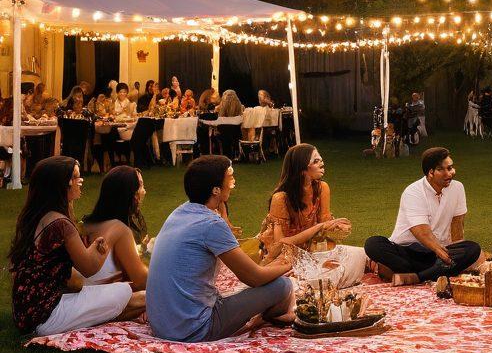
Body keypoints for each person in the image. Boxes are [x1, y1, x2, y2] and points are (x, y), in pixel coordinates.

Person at [147, 155, 294, 342]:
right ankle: (267, 318)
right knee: (282, 285)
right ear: (216, 190)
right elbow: (253, 277)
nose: (233, 183)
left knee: (247, 288)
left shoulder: (179, 213)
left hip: (162, 326)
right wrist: (288, 264)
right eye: (230, 178)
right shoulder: (210, 223)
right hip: (194, 329)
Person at [8, 157, 145, 337]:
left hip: (25, 314)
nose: (80, 182)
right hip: (48, 316)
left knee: (121, 296)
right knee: (126, 292)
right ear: (60, 185)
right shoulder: (62, 224)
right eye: (74, 177)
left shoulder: (38, 218)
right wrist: (101, 244)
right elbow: (89, 268)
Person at [364, 147, 481, 286]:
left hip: (437, 254)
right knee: (373, 244)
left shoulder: (458, 188)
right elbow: (421, 232)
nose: (450, 173)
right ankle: (436, 272)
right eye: (443, 169)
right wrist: (445, 257)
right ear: (431, 172)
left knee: (473, 248)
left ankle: (416, 277)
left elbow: (457, 225)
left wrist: (457, 252)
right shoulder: (413, 192)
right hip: (408, 251)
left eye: (451, 168)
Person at [257, 144, 365, 286]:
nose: (322, 162)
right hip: (286, 254)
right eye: (315, 161)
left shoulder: (322, 188)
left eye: (320, 159)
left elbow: (324, 226)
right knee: (282, 278)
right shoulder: (281, 198)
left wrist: (335, 227)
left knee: (358, 255)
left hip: (313, 248)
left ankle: (314, 280)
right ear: (302, 169)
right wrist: (319, 227)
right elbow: (281, 243)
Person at [81, 165, 150, 290]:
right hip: (98, 301)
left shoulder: (85, 224)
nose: (143, 191)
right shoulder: (120, 230)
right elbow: (142, 281)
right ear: (132, 194)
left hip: (82, 297)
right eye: (140, 185)